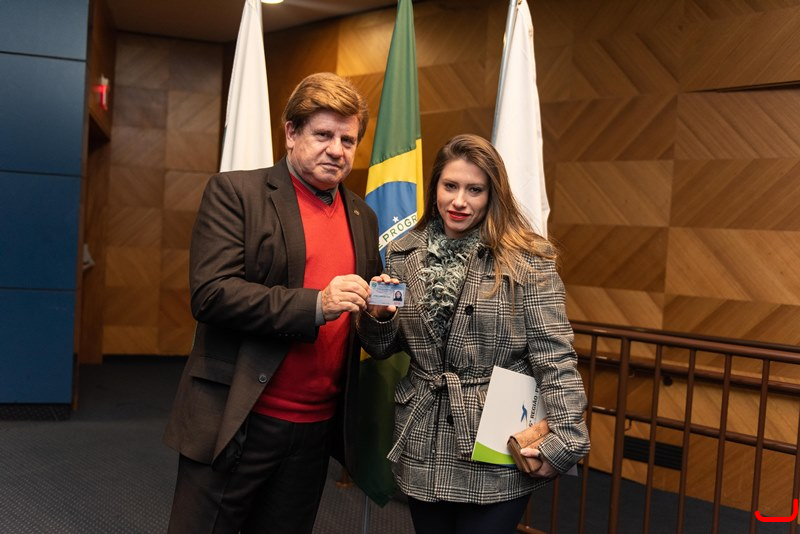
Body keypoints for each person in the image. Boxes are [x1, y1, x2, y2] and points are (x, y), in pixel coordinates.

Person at [163, 72, 382, 534]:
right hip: (238, 417)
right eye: (323, 135)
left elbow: (360, 317)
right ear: (291, 133)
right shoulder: (236, 193)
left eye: (348, 139)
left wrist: (378, 316)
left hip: (315, 428)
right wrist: (316, 304)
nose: (337, 150)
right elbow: (212, 293)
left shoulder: (362, 215)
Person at [357, 134, 590, 533]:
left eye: (474, 190)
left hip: (495, 441)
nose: (459, 201)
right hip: (425, 438)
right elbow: (384, 349)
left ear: (492, 194)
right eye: (450, 186)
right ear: (435, 188)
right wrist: (378, 319)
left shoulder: (527, 260)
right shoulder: (402, 253)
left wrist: (567, 439)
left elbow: (554, 357)